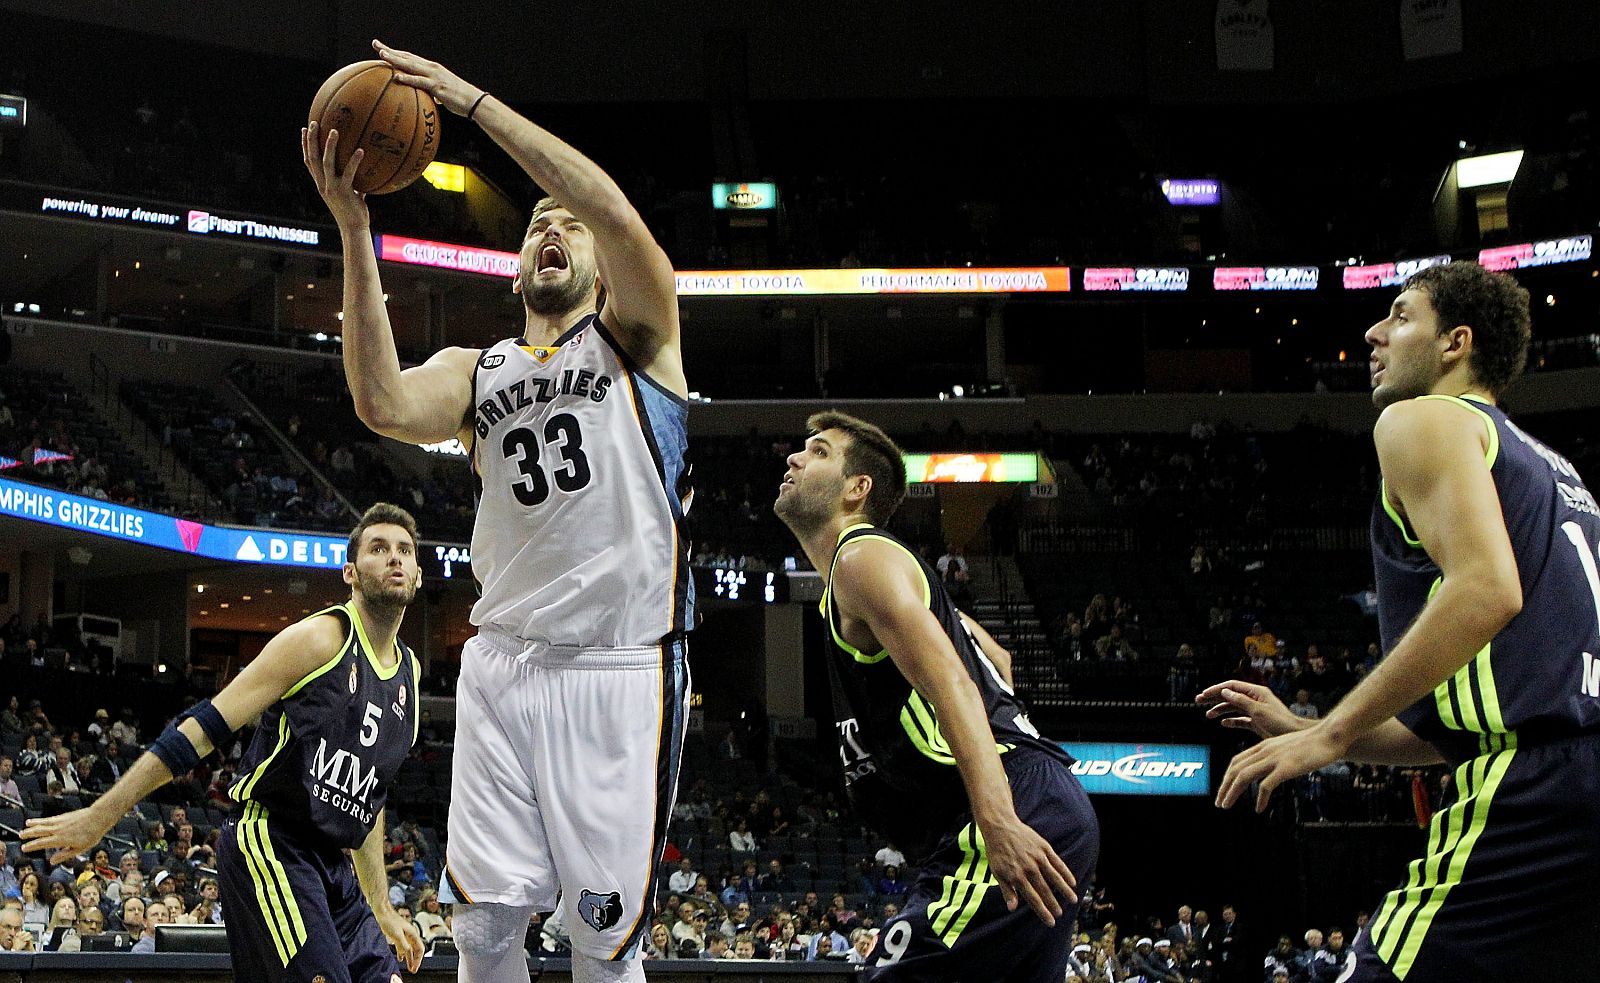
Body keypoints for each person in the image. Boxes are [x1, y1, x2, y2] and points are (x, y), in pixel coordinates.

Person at [303, 38, 693, 983]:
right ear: (515, 271)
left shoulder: (640, 342)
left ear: (600, 266)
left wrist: (474, 105)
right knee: (480, 930)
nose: (550, 230)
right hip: (501, 661)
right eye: (533, 230)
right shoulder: (478, 371)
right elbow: (382, 402)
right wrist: (356, 227)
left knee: (604, 944)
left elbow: (612, 210)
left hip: (618, 663)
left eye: (567, 227)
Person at [1203, 262, 1600, 980]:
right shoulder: (1554, 469)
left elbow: (1485, 589)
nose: (1373, 331)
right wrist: (1320, 729)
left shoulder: (1423, 419)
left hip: (1529, 791)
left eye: (1400, 314)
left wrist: (1329, 733)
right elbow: (1453, 729)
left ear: (1456, 343)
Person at [23, 504, 428, 982]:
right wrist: (101, 814)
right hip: (271, 843)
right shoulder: (322, 639)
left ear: (419, 576)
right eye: (378, 549)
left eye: (404, 551)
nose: (394, 559)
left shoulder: (410, 676)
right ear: (351, 573)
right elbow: (203, 727)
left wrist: (380, 903)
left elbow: (368, 798)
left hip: (334, 866)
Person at [773, 411, 1098, 981]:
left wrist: (997, 817)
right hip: (1030, 800)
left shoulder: (861, 558)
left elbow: (954, 680)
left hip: (1002, 806)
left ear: (858, 488)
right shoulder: (875, 576)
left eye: (819, 452)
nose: (795, 458)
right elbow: (996, 658)